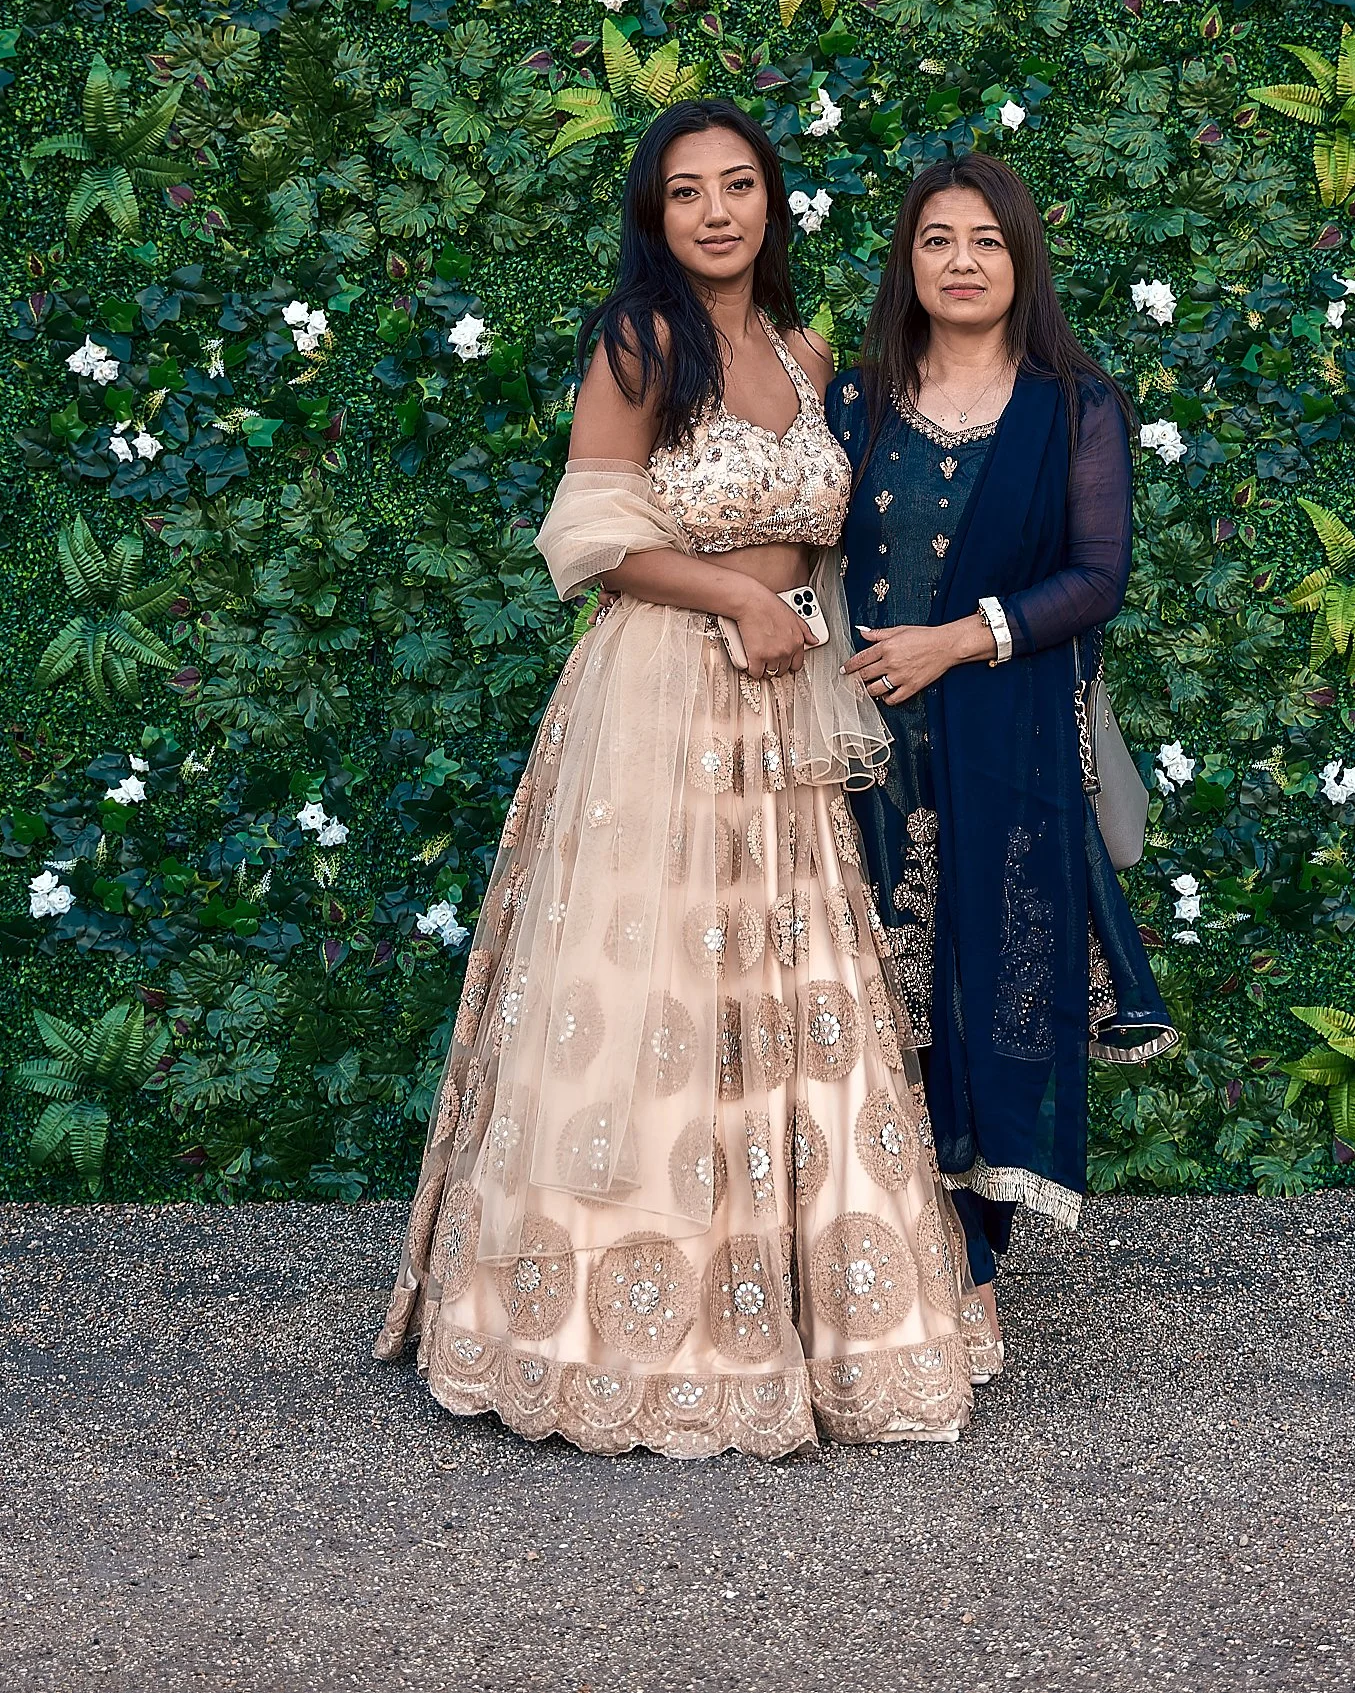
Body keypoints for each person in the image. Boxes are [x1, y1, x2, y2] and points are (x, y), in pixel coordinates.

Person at [375, 101, 975, 1457]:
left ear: (773, 203)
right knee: (649, 986)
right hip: (661, 692)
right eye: (687, 192)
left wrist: (829, 615)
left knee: (786, 980)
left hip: (784, 706)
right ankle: (612, 1339)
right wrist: (731, 599)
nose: (716, 211)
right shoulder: (643, 342)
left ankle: (815, 1327)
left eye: (740, 186)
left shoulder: (802, 348)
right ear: (656, 216)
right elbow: (588, 525)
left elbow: (832, 526)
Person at [829, 154, 1180, 1378]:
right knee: (878, 1007)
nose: (962, 260)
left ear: (1020, 258)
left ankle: (973, 1268)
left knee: (990, 997)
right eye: (936, 240)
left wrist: (957, 639)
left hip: (1010, 749)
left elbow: (1095, 578)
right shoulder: (853, 400)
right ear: (906, 262)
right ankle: (892, 1263)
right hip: (864, 754)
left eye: (986, 239)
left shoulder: (1073, 404)